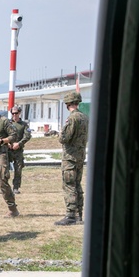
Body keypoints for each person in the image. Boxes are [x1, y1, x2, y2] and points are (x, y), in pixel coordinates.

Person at [56, 91, 89, 225]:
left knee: (69, 185)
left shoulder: (73, 118)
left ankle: (70, 215)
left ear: (67, 104)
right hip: (80, 156)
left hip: (70, 157)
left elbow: (64, 138)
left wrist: (61, 132)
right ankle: (79, 214)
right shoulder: (84, 117)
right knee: (77, 185)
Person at [8, 105, 32, 194]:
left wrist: (19, 143)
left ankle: (16, 187)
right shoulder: (8, 123)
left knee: (18, 169)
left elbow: (27, 136)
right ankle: (5, 187)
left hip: (18, 150)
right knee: (4, 170)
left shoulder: (24, 125)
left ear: (19, 113)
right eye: (13, 113)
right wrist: (8, 143)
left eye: (16, 113)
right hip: (8, 150)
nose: (14, 115)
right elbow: (3, 134)